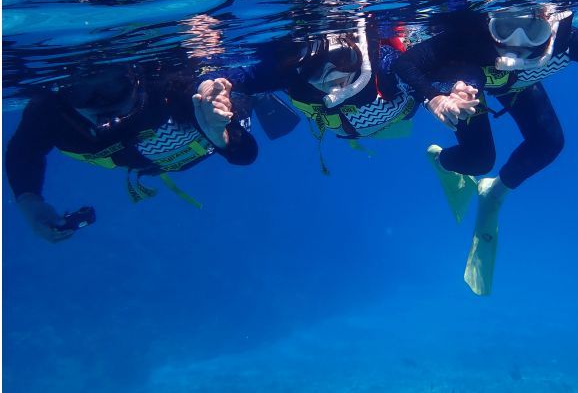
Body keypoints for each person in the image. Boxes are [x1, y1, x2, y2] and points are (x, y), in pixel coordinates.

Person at [394, 5, 578, 296]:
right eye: (506, 27)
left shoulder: (562, 37)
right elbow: (405, 64)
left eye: (533, 29)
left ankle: (493, 193)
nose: (518, 42)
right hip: (466, 89)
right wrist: (434, 98)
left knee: (549, 143)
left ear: (549, 21)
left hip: (516, 85)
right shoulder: (467, 36)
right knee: (479, 159)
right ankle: (442, 161)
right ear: (488, 22)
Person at [5, 62, 257, 242]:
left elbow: (244, 153)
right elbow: (23, 150)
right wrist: (30, 203)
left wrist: (221, 133)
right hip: (153, 160)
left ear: (136, 79)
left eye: (113, 86)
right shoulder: (51, 114)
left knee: (228, 99)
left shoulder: (168, 87)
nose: (101, 104)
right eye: (83, 92)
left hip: (197, 139)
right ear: (64, 93)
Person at [216, 18, 418, 174]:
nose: (333, 77)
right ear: (300, 69)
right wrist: (212, 88)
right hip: (359, 128)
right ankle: (261, 95)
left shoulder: (386, 66)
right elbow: (238, 77)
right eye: (313, 69)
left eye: (341, 58)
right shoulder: (293, 77)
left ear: (358, 50)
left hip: (392, 118)